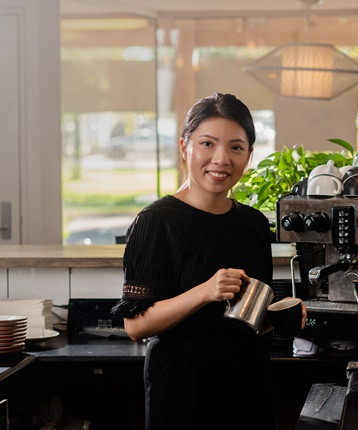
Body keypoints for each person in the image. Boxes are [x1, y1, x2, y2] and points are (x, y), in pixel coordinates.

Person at [111, 92, 306, 429]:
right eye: (207, 144)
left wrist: (281, 318)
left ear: (249, 155)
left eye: (235, 147)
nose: (221, 159)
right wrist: (204, 291)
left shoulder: (254, 224)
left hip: (249, 385)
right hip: (183, 389)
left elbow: (250, 319)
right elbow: (136, 326)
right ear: (185, 147)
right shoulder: (156, 222)